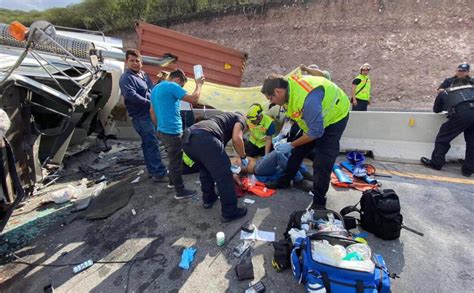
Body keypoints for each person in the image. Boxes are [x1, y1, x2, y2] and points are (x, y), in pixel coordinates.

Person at [260, 74, 350, 209]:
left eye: (271, 98)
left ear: (278, 91)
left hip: (335, 117)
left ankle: (319, 202)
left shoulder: (308, 100)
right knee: (297, 152)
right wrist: (281, 135)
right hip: (315, 118)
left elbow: (316, 132)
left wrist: (290, 144)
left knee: (322, 162)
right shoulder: (289, 90)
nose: (271, 102)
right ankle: (285, 181)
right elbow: (292, 114)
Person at [182, 112, 248, 222]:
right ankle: (230, 211)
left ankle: (208, 199)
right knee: (224, 175)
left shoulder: (222, 118)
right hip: (204, 139)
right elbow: (237, 139)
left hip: (187, 140)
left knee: (205, 169)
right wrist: (243, 156)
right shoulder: (240, 118)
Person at [150, 69, 204, 199]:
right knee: (176, 161)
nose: (180, 89)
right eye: (182, 87)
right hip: (173, 130)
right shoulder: (172, 86)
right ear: (178, 80)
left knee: (172, 157)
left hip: (162, 130)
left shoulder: (155, 88)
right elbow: (194, 99)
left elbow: (152, 111)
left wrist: (158, 128)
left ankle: (171, 182)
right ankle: (180, 191)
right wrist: (199, 84)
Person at [119, 49, 167, 182]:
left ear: (141, 62)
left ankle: (153, 170)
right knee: (151, 143)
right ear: (126, 62)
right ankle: (159, 173)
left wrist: (160, 82)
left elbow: (151, 91)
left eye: (137, 61)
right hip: (140, 117)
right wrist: (150, 103)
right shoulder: (126, 78)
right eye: (132, 61)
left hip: (150, 114)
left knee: (148, 143)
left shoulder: (143, 75)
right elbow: (130, 96)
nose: (135, 63)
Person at [421, 77, 474, 177]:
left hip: (462, 114)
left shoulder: (446, 92)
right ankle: (468, 169)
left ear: (453, 85)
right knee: (472, 143)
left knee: (443, 138)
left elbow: (436, 110)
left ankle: (436, 163)